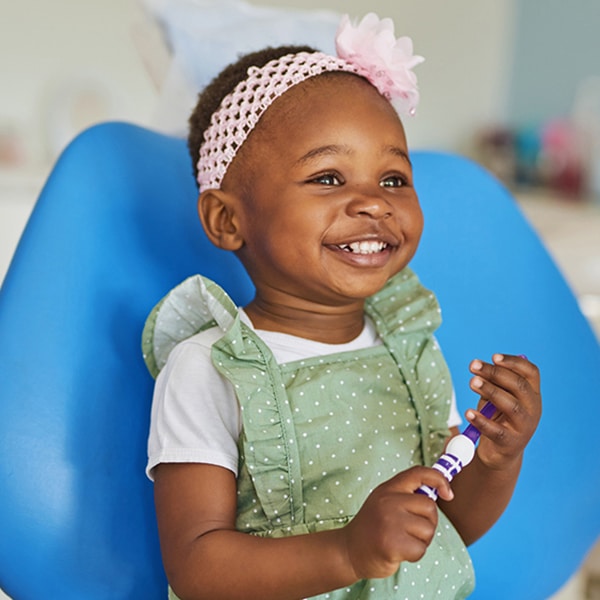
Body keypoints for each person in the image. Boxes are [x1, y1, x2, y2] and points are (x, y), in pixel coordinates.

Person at [142, 12, 542, 600]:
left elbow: (448, 527)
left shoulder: (411, 350)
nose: (374, 204)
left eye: (393, 179)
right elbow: (198, 568)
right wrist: (347, 550)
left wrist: (500, 459)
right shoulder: (211, 367)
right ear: (228, 220)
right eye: (328, 178)